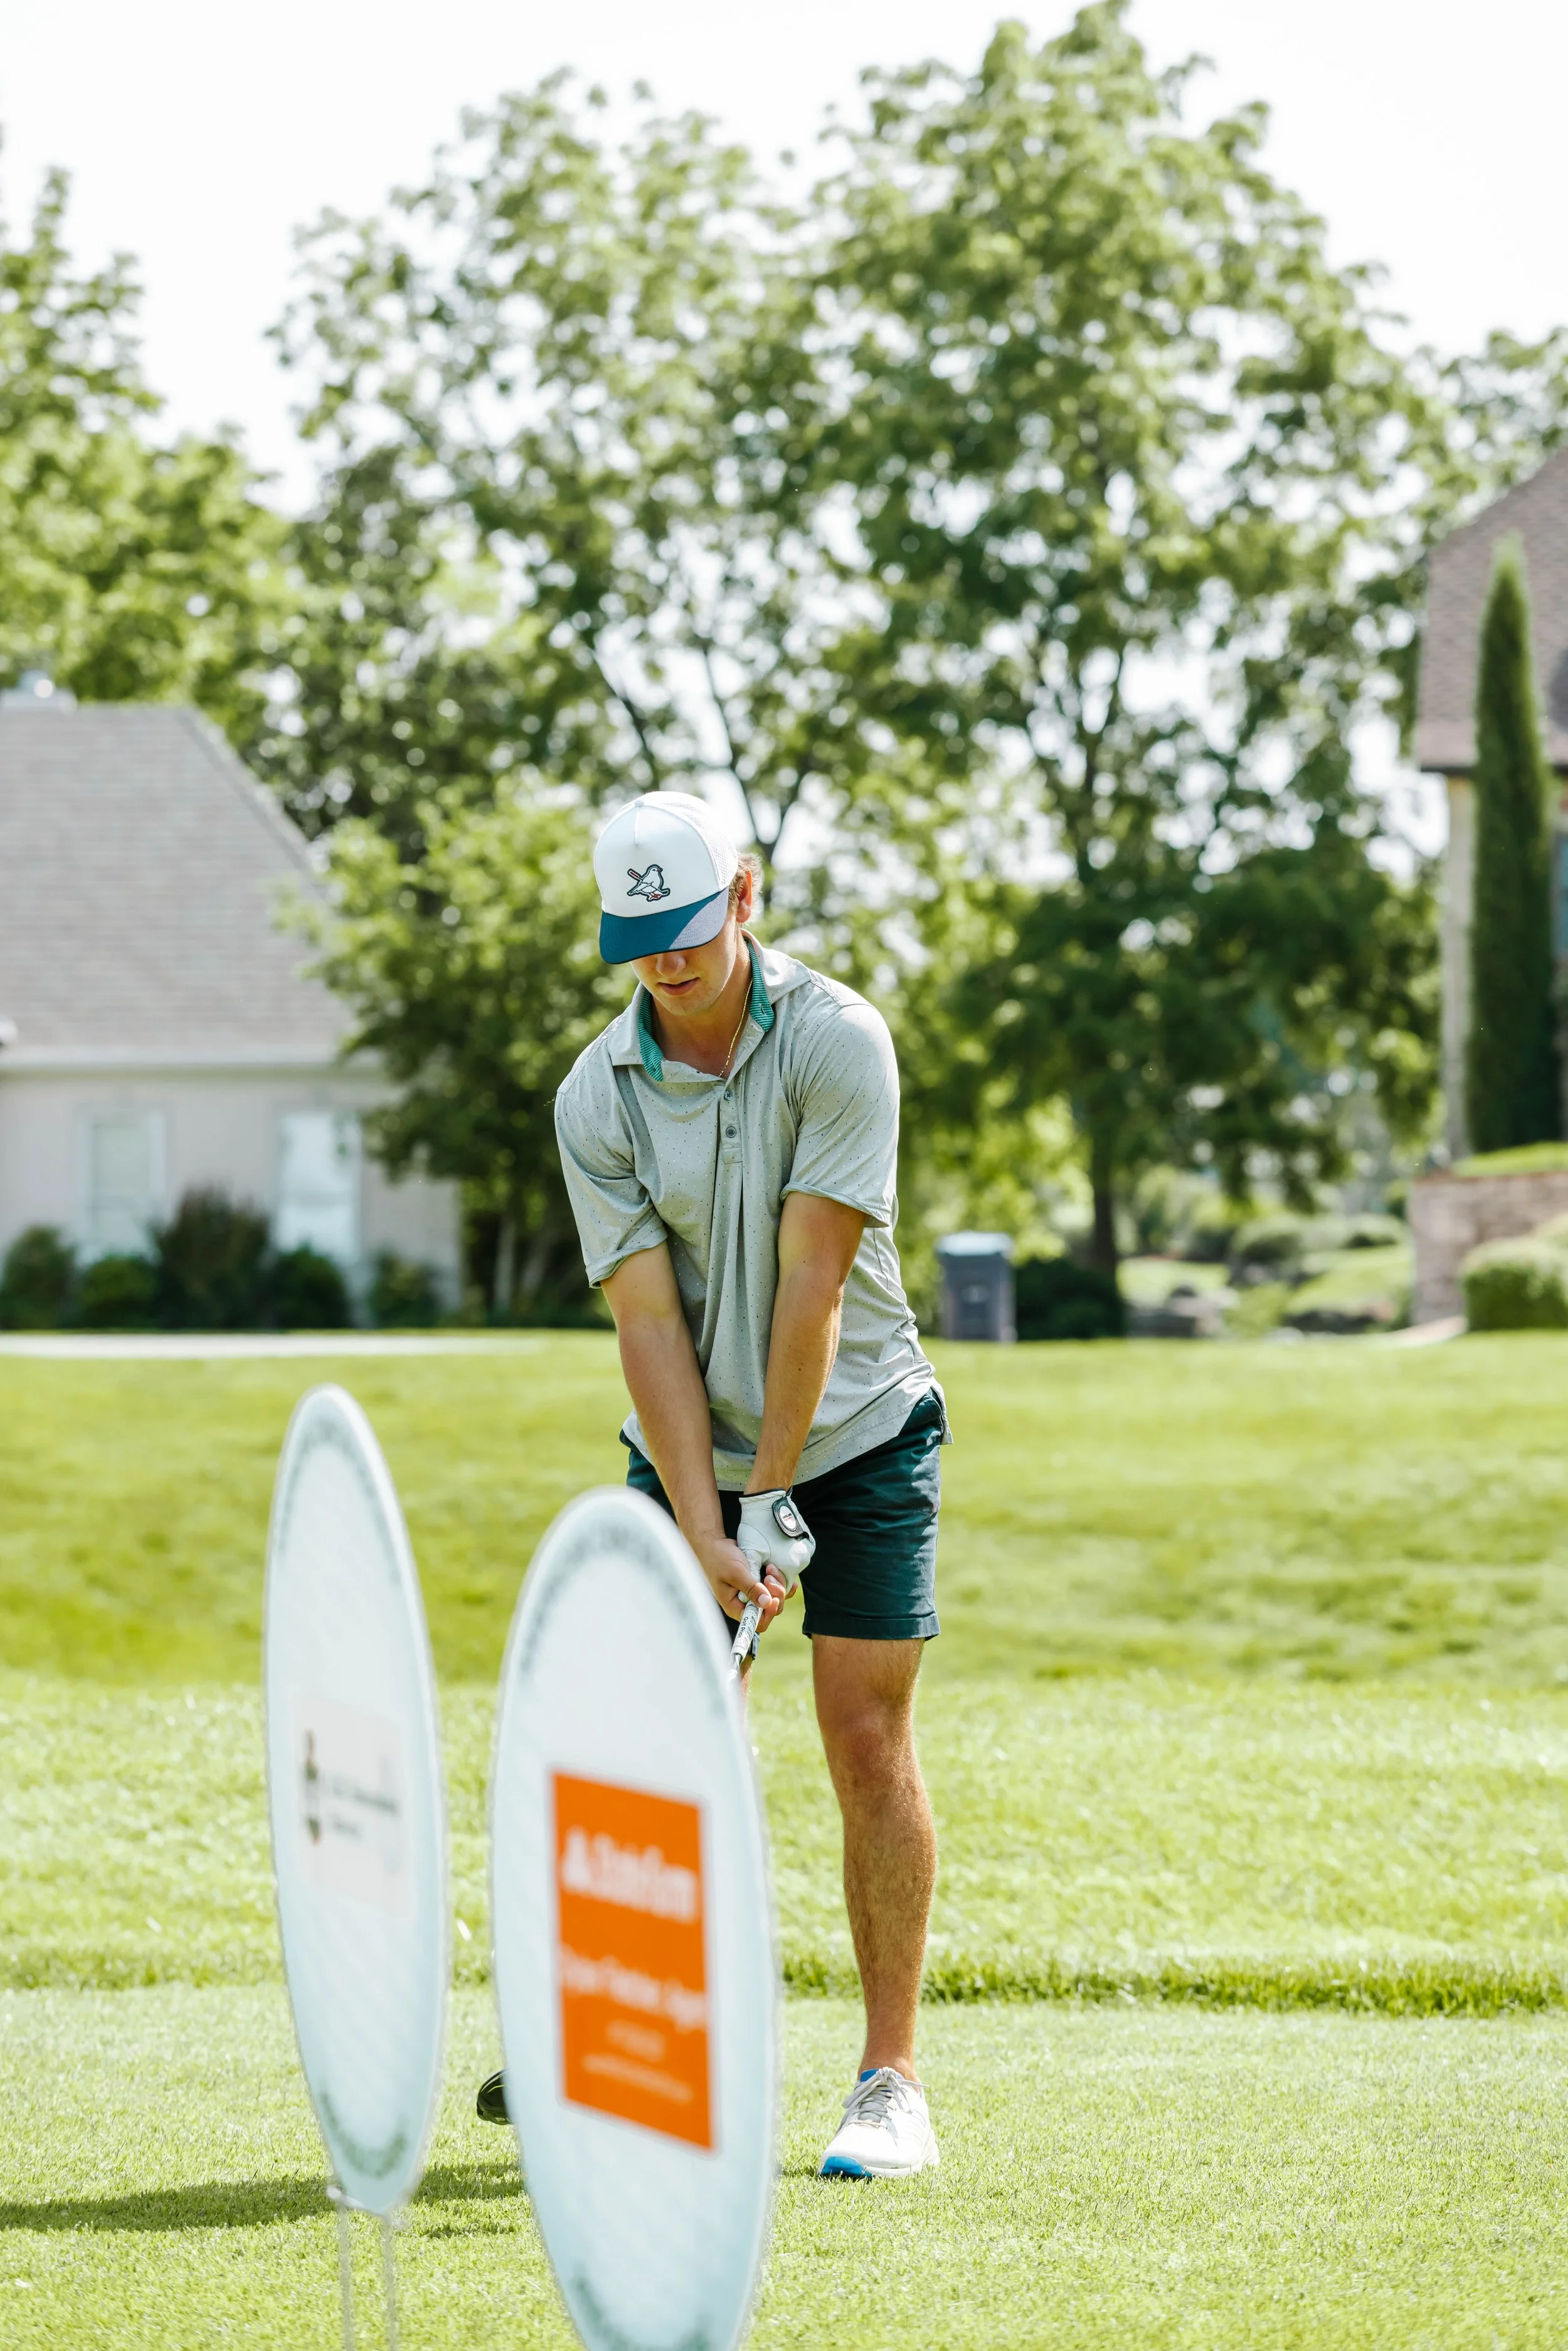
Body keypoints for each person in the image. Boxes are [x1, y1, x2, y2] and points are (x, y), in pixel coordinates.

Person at [478, 788, 946, 2179]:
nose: (666, 961)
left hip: (858, 1430)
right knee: (656, 1738)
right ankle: (635, 2040)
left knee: (861, 1732)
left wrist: (773, 1500)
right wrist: (701, 1516)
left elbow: (809, 1289)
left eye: (686, 928)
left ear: (742, 893)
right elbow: (645, 1324)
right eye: (637, 938)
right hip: (694, 1447)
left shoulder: (836, 1042)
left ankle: (888, 2080)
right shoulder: (592, 1093)